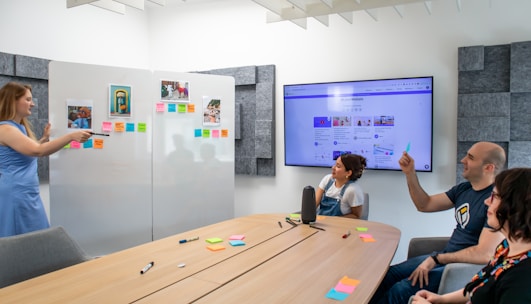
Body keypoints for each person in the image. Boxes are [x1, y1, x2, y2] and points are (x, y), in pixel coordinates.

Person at [369, 141, 507, 304]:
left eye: (470, 157)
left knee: (400, 290)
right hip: (444, 257)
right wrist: (410, 173)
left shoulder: (495, 202)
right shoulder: (464, 189)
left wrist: (436, 259)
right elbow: (424, 204)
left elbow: (485, 254)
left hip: (460, 269)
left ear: (488, 167)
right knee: (388, 275)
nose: (463, 160)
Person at [411, 167, 531, 304]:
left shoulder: (523, 278)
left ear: (516, 206)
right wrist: (441, 299)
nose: (486, 202)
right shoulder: (505, 248)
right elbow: (478, 287)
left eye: (494, 197)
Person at [0, 82, 92, 237]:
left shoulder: (17, 128)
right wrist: (71, 136)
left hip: (27, 193)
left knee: (37, 240)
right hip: (16, 195)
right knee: (20, 244)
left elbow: (26, 152)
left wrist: (44, 138)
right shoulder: (6, 129)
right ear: (13, 101)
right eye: (28, 99)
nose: (33, 104)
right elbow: (37, 151)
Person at [315, 153, 366, 219]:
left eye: (338, 166)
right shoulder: (327, 179)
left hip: (339, 226)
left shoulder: (352, 190)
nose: (333, 168)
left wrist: (333, 220)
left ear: (348, 173)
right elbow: (315, 203)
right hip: (321, 223)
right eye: (335, 164)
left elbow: (356, 216)